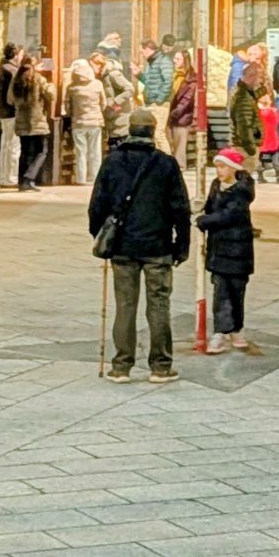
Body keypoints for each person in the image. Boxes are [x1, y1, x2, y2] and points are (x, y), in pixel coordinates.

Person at [87, 114, 190, 383]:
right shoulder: (166, 164)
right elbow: (181, 207)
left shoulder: (113, 162)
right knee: (158, 305)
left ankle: (121, 366)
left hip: (122, 246)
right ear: (152, 132)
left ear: (130, 131)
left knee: (125, 306)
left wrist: (102, 236)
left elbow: (97, 206)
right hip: (158, 246)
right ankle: (161, 365)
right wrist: (182, 245)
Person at [198, 147, 256, 353]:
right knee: (221, 290)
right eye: (217, 166)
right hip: (219, 248)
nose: (219, 170)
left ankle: (234, 329)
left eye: (223, 166)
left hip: (238, 249)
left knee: (236, 291)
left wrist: (203, 221)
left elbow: (228, 215)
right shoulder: (216, 186)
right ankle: (223, 330)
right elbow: (210, 208)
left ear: (233, 168)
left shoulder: (241, 190)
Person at [11, 51, 53, 192]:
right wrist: (50, 83)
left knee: (25, 152)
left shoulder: (16, 80)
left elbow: (10, 99)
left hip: (22, 122)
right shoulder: (38, 79)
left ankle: (22, 181)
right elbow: (51, 95)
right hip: (37, 122)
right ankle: (29, 178)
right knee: (41, 151)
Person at [66, 58, 107, 186]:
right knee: (95, 151)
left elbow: (67, 107)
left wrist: (72, 114)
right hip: (95, 122)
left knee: (80, 152)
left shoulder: (71, 87)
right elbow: (104, 103)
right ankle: (95, 177)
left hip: (78, 123)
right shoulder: (98, 84)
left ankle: (81, 178)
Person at [229, 60, 266, 165]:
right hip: (243, 148)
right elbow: (244, 124)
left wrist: (263, 90)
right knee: (243, 178)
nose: (260, 81)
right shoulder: (242, 96)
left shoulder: (244, 91)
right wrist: (251, 149)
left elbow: (252, 97)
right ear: (252, 76)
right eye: (260, 77)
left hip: (243, 145)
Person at [0, 42, 21, 187]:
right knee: (13, 146)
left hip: (2, 111)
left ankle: (4, 177)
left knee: (5, 146)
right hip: (11, 112)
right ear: (16, 55)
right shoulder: (12, 71)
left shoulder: (0, 68)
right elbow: (13, 94)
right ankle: (11, 178)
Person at [136, 39, 175, 108]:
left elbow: (169, 82)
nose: (142, 55)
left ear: (147, 49)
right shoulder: (151, 62)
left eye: (142, 52)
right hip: (151, 103)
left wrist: (158, 101)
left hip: (159, 105)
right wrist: (138, 74)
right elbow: (149, 82)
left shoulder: (164, 60)